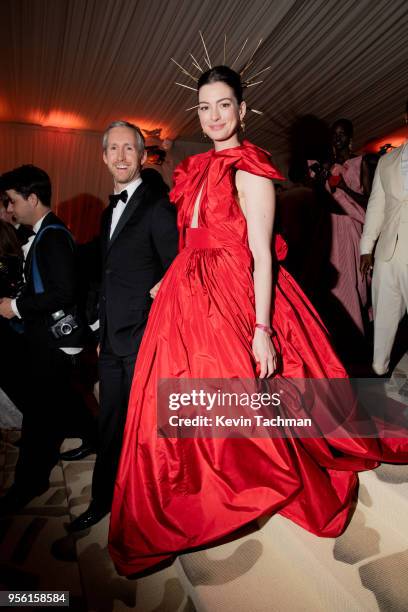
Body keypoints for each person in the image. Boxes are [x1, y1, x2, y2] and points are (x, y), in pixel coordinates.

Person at [108, 66, 408, 576]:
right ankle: (201, 482)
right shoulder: (197, 167)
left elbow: (262, 255)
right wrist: (170, 279)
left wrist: (263, 329)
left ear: (242, 110)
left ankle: (247, 476)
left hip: (236, 289)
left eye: (224, 105)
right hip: (188, 289)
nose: (214, 116)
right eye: (205, 107)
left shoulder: (250, 168)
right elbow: (194, 235)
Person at [66, 121, 179, 532]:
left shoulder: (156, 204)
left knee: (143, 430)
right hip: (113, 339)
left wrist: (162, 287)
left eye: (128, 149)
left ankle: (148, 507)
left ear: (142, 155)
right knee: (110, 423)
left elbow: (180, 265)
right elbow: (106, 273)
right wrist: (100, 330)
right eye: (112, 149)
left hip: (144, 338)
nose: (119, 157)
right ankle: (102, 499)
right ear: (103, 156)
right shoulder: (105, 210)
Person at [0, 165, 95, 514]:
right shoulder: (43, 232)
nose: (10, 209)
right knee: (58, 400)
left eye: (12, 201)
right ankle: (94, 435)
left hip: (54, 341)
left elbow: (63, 292)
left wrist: (16, 306)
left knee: (40, 415)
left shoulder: (52, 235)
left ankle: (30, 483)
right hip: (46, 339)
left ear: (32, 198)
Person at [360, 100, 408, 376]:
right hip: (387, 255)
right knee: (382, 335)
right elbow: (376, 205)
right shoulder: (388, 161)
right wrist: (367, 247)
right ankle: (381, 374)